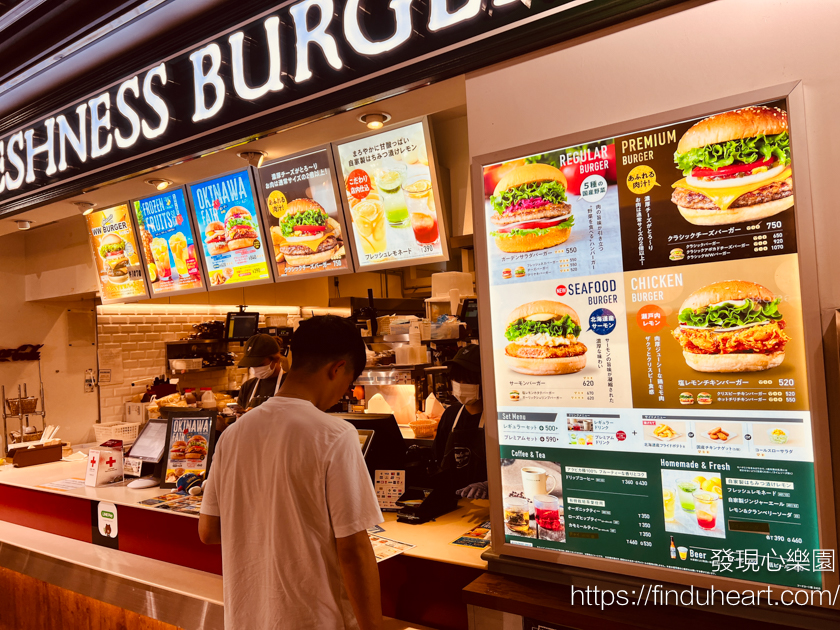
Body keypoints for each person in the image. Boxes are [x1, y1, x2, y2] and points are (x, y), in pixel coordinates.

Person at [199, 316, 383, 630]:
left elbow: (208, 532)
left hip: (246, 620)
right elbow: (352, 550)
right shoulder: (335, 435)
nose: (344, 393)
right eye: (348, 383)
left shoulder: (233, 434)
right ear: (336, 369)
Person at [432, 344, 488, 499]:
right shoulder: (451, 415)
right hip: (453, 503)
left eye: (468, 379)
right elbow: (439, 459)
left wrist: (488, 485)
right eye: (457, 379)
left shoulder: (497, 420)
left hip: (487, 505)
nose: (461, 384)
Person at [236, 333, 286, 411]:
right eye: (252, 365)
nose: (255, 369)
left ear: (275, 359)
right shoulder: (247, 387)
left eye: (259, 364)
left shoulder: (290, 385)